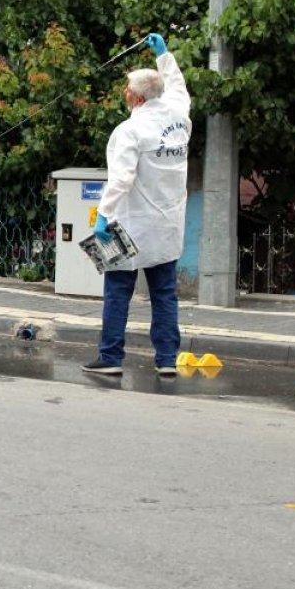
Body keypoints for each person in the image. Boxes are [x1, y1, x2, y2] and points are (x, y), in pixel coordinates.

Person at [82, 32, 191, 378]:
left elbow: (122, 179)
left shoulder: (130, 131)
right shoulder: (179, 118)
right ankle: (167, 359)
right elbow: (177, 87)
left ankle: (111, 356)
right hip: (168, 224)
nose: (125, 94)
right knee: (164, 294)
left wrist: (103, 215)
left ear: (138, 97)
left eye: (128, 90)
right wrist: (165, 56)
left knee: (117, 289)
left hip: (128, 222)